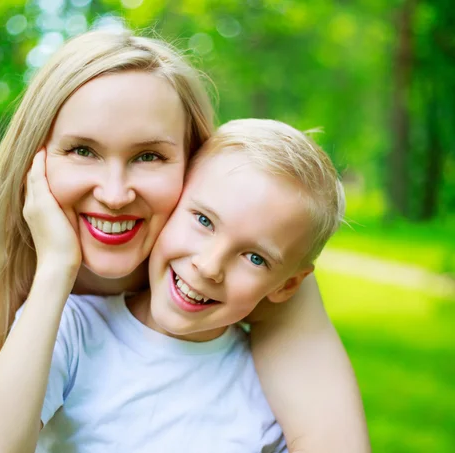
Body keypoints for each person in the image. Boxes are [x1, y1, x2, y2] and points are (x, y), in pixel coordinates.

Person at [0, 30, 369, 453]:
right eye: (83, 150)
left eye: (149, 156)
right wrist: (55, 271)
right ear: (35, 159)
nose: (115, 194)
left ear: (193, 160)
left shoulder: (253, 279)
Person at [23, 118, 344, 453]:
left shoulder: (272, 400)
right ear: (172, 202)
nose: (209, 267)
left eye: (254, 257)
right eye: (204, 220)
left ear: (287, 285)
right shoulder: (68, 330)